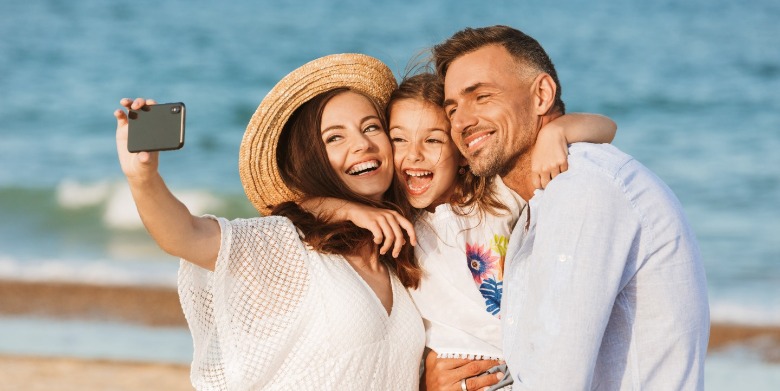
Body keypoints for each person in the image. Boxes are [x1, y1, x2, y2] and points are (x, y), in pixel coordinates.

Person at [113, 54, 426, 390]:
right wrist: (143, 177)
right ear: (312, 160)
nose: (362, 144)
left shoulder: (402, 251)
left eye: (371, 127)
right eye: (335, 137)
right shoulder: (290, 245)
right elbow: (185, 235)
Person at [429, 25, 710, 390]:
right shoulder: (542, 200)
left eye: (481, 96)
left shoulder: (580, 189)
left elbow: (554, 379)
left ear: (541, 94)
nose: (462, 121)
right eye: (452, 109)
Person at [306, 72, 617, 391]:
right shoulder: (396, 222)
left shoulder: (497, 197)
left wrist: (558, 131)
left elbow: (606, 127)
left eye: (433, 140)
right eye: (399, 139)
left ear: (462, 153)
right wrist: (349, 209)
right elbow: (298, 208)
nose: (414, 154)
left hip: (532, 373)